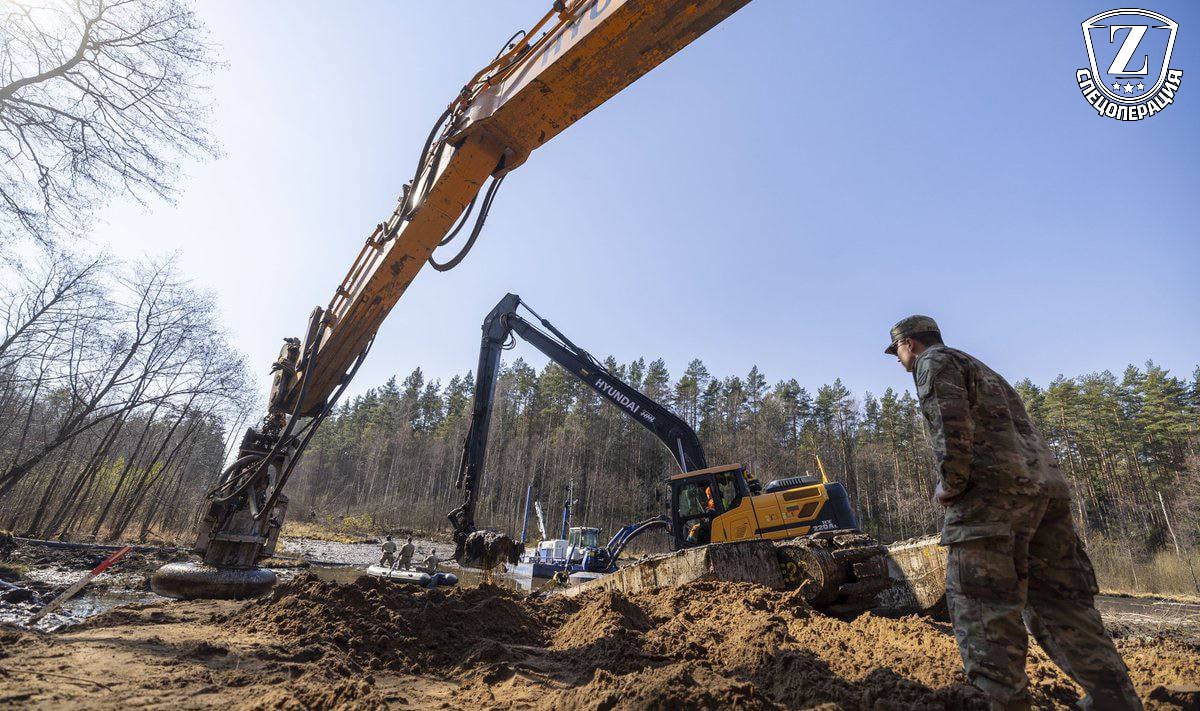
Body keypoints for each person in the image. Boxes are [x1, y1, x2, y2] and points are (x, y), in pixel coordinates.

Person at [885, 315, 1141, 711]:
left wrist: (950, 483)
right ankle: (1116, 702)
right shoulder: (985, 371)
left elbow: (949, 427)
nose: (899, 361)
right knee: (1063, 607)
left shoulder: (932, 363)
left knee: (985, 614)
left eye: (897, 352)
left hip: (991, 503)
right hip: (1046, 496)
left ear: (910, 344)